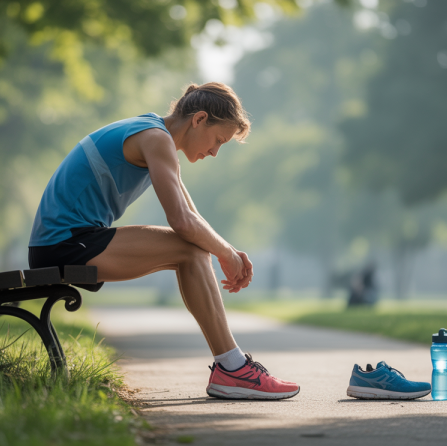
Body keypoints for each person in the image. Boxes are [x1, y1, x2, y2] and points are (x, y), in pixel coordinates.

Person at [28, 82, 300, 400]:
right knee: (190, 248)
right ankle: (233, 368)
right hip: (63, 246)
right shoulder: (155, 138)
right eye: (218, 140)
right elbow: (182, 223)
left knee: (194, 248)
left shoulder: (156, 135)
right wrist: (225, 254)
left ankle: (231, 367)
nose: (214, 151)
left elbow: (192, 217)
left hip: (68, 242)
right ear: (199, 119)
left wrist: (229, 250)